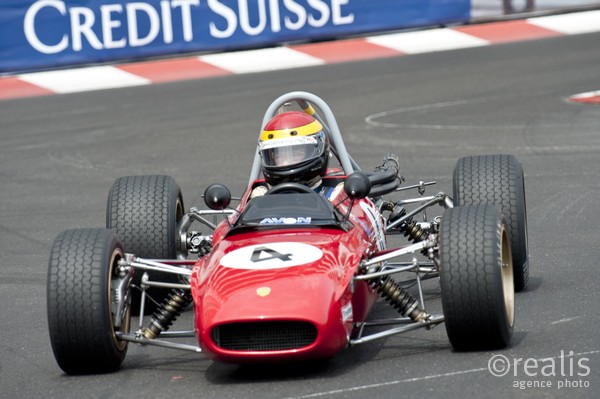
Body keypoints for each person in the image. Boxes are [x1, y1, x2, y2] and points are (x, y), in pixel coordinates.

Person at [251, 111, 343, 200]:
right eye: (279, 155)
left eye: (296, 153)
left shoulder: (336, 195)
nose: (286, 162)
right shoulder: (260, 197)